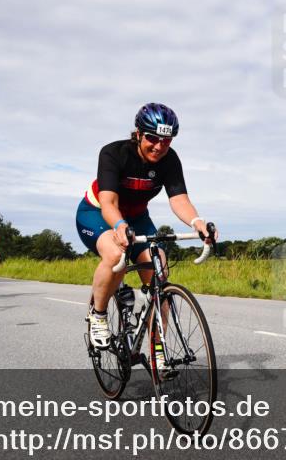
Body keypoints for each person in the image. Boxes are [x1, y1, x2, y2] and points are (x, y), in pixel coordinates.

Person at [75, 103, 217, 351]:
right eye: (152, 138)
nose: (159, 146)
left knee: (159, 271)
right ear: (138, 134)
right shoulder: (113, 153)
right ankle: (97, 314)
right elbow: (109, 202)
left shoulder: (169, 160)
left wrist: (198, 223)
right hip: (97, 213)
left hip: (138, 217)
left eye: (167, 140)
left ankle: (158, 350)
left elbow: (179, 199)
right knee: (116, 253)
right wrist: (119, 225)